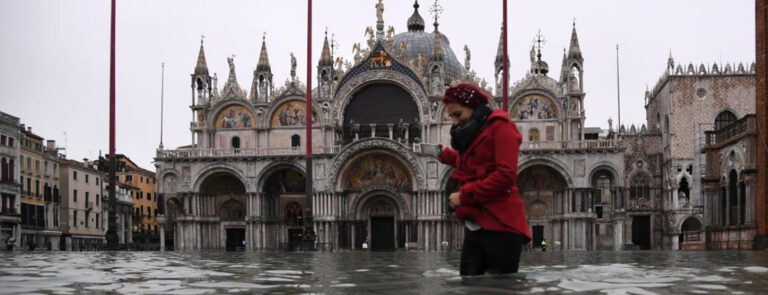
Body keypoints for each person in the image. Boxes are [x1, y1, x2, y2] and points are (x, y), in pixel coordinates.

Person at [437, 83, 531, 275]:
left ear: (473, 107)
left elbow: (504, 175)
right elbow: (476, 162)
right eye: (451, 117)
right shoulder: (475, 131)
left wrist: (463, 197)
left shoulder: (501, 127)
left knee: (499, 288)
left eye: (458, 115)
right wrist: (446, 154)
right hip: (476, 223)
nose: (454, 122)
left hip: (502, 225)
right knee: (469, 283)